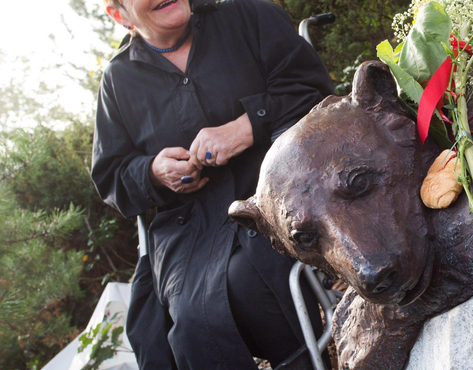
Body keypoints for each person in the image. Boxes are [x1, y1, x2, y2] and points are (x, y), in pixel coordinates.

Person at [90, 0, 334, 368]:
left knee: (245, 283)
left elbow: (312, 89)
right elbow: (110, 176)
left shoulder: (249, 17)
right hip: (190, 227)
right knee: (174, 329)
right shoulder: (118, 80)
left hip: (275, 189)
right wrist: (153, 172)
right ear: (119, 14)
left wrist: (247, 127)